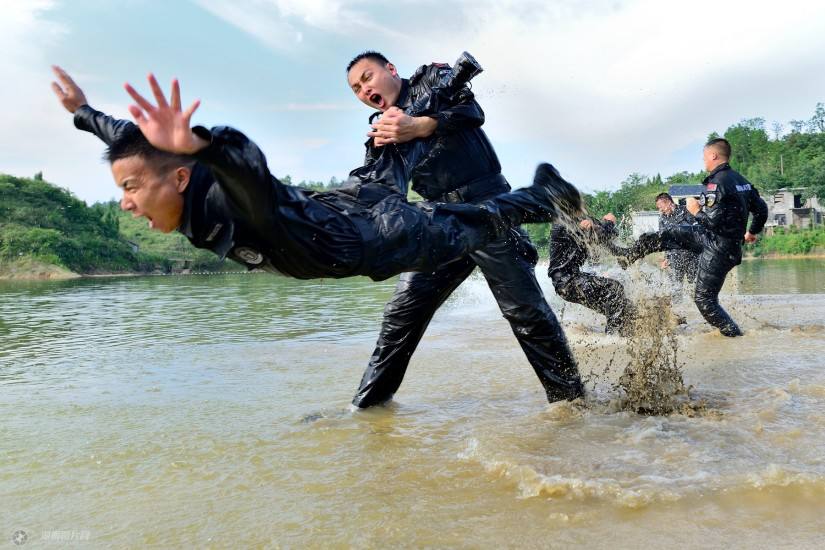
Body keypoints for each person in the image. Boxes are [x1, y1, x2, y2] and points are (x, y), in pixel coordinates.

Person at [50, 66, 583, 295]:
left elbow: (248, 169)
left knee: (476, 223)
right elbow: (131, 142)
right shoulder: (172, 176)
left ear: (183, 176)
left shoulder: (233, 203)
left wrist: (207, 142)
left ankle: (545, 194)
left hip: (376, 238)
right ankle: (430, 110)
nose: (125, 203)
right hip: (347, 200)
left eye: (130, 189)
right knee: (386, 145)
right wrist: (83, 112)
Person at [345, 51, 584, 407]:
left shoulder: (432, 80)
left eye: (367, 77)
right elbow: (379, 187)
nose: (364, 89)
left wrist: (421, 125)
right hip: (438, 221)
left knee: (525, 312)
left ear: (391, 70)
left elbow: (472, 112)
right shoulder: (380, 132)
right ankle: (365, 407)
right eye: (356, 89)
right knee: (401, 315)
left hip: (487, 204)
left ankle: (572, 406)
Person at [615, 138, 768, 337]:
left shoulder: (717, 183)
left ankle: (735, 336)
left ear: (713, 155)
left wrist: (695, 211)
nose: (703, 160)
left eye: (704, 156)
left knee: (704, 300)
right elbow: (762, 210)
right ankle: (629, 256)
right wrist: (751, 232)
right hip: (715, 240)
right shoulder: (742, 181)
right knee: (666, 234)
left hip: (718, 249)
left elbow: (711, 222)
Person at [548, 213, 636, 336]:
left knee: (626, 307)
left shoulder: (587, 221)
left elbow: (608, 237)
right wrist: (607, 223)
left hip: (576, 279)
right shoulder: (562, 224)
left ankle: (628, 340)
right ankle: (613, 338)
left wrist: (609, 224)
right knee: (614, 288)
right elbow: (595, 231)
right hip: (566, 282)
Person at [655, 193, 699, 303]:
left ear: (669, 203)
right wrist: (665, 258)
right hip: (674, 256)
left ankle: (700, 307)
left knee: (695, 284)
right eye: (659, 208)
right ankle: (678, 311)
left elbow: (697, 229)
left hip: (692, 254)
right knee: (675, 286)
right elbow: (664, 240)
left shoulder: (686, 210)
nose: (661, 210)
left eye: (661, 207)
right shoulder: (662, 219)